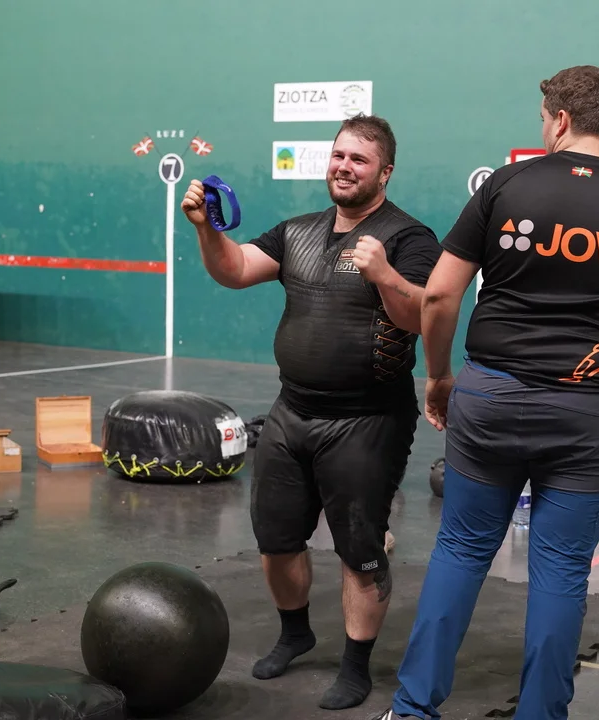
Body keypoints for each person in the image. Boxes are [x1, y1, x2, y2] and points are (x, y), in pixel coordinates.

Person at [370, 65, 599, 720]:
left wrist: (438, 374)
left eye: (541, 118)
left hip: (492, 399)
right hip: (591, 414)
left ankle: (413, 710)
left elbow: (440, 296)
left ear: (560, 120)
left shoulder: (506, 186)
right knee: (561, 570)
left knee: (461, 550)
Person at [181, 113, 443, 710]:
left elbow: (421, 315)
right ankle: (295, 633)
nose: (345, 167)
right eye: (339, 155)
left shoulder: (409, 239)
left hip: (367, 420)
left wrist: (384, 275)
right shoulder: (297, 231)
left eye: (359, 160)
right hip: (291, 411)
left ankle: (355, 665)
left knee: (360, 551)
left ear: (385, 172)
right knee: (276, 539)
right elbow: (234, 270)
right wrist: (206, 230)